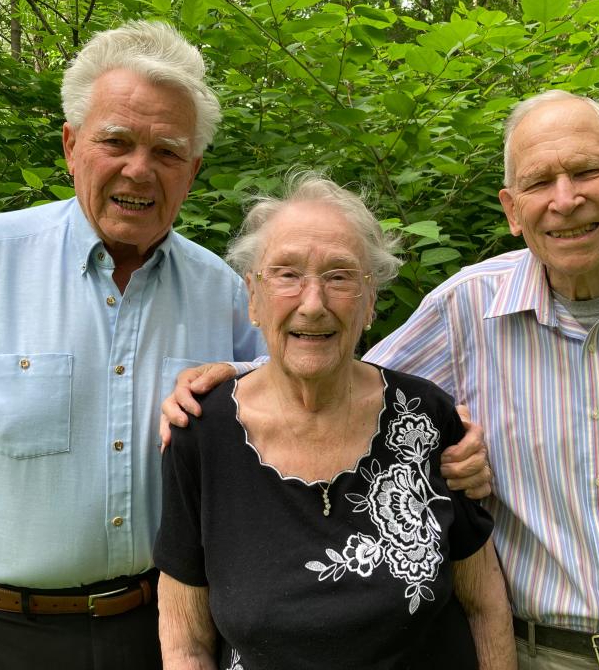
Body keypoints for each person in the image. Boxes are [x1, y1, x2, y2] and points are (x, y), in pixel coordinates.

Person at [166, 90, 599, 668]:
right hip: (541, 654)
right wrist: (236, 381)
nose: (566, 200)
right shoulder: (466, 311)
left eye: (587, 171)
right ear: (511, 208)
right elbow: (339, 372)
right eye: (539, 182)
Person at [0, 21, 268, 670]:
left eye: (167, 152)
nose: (140, 168)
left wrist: (444, 445)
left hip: (168, 638)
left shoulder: (222, 294)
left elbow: (298, 421)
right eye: (116, 141)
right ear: (71, 145)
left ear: (192, 172)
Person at [153, 174, 515, 669]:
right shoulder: (201, 432)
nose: (313, 303)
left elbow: (486, 607)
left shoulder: (425, 419)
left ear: (369, 302)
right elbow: (185, 640)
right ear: (253, 297)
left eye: (340, 276)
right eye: (286, 274)